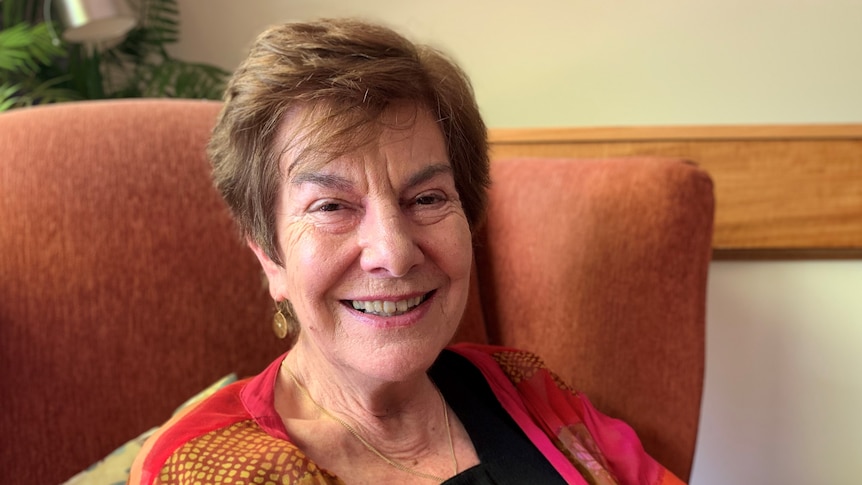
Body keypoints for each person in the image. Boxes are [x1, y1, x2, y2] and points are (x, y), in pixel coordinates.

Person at [130, 18, 684, 485]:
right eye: (331, 207)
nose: (393, 253)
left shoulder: (524, 387)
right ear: (270, 256)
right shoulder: (202, 468)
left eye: (426, 198)